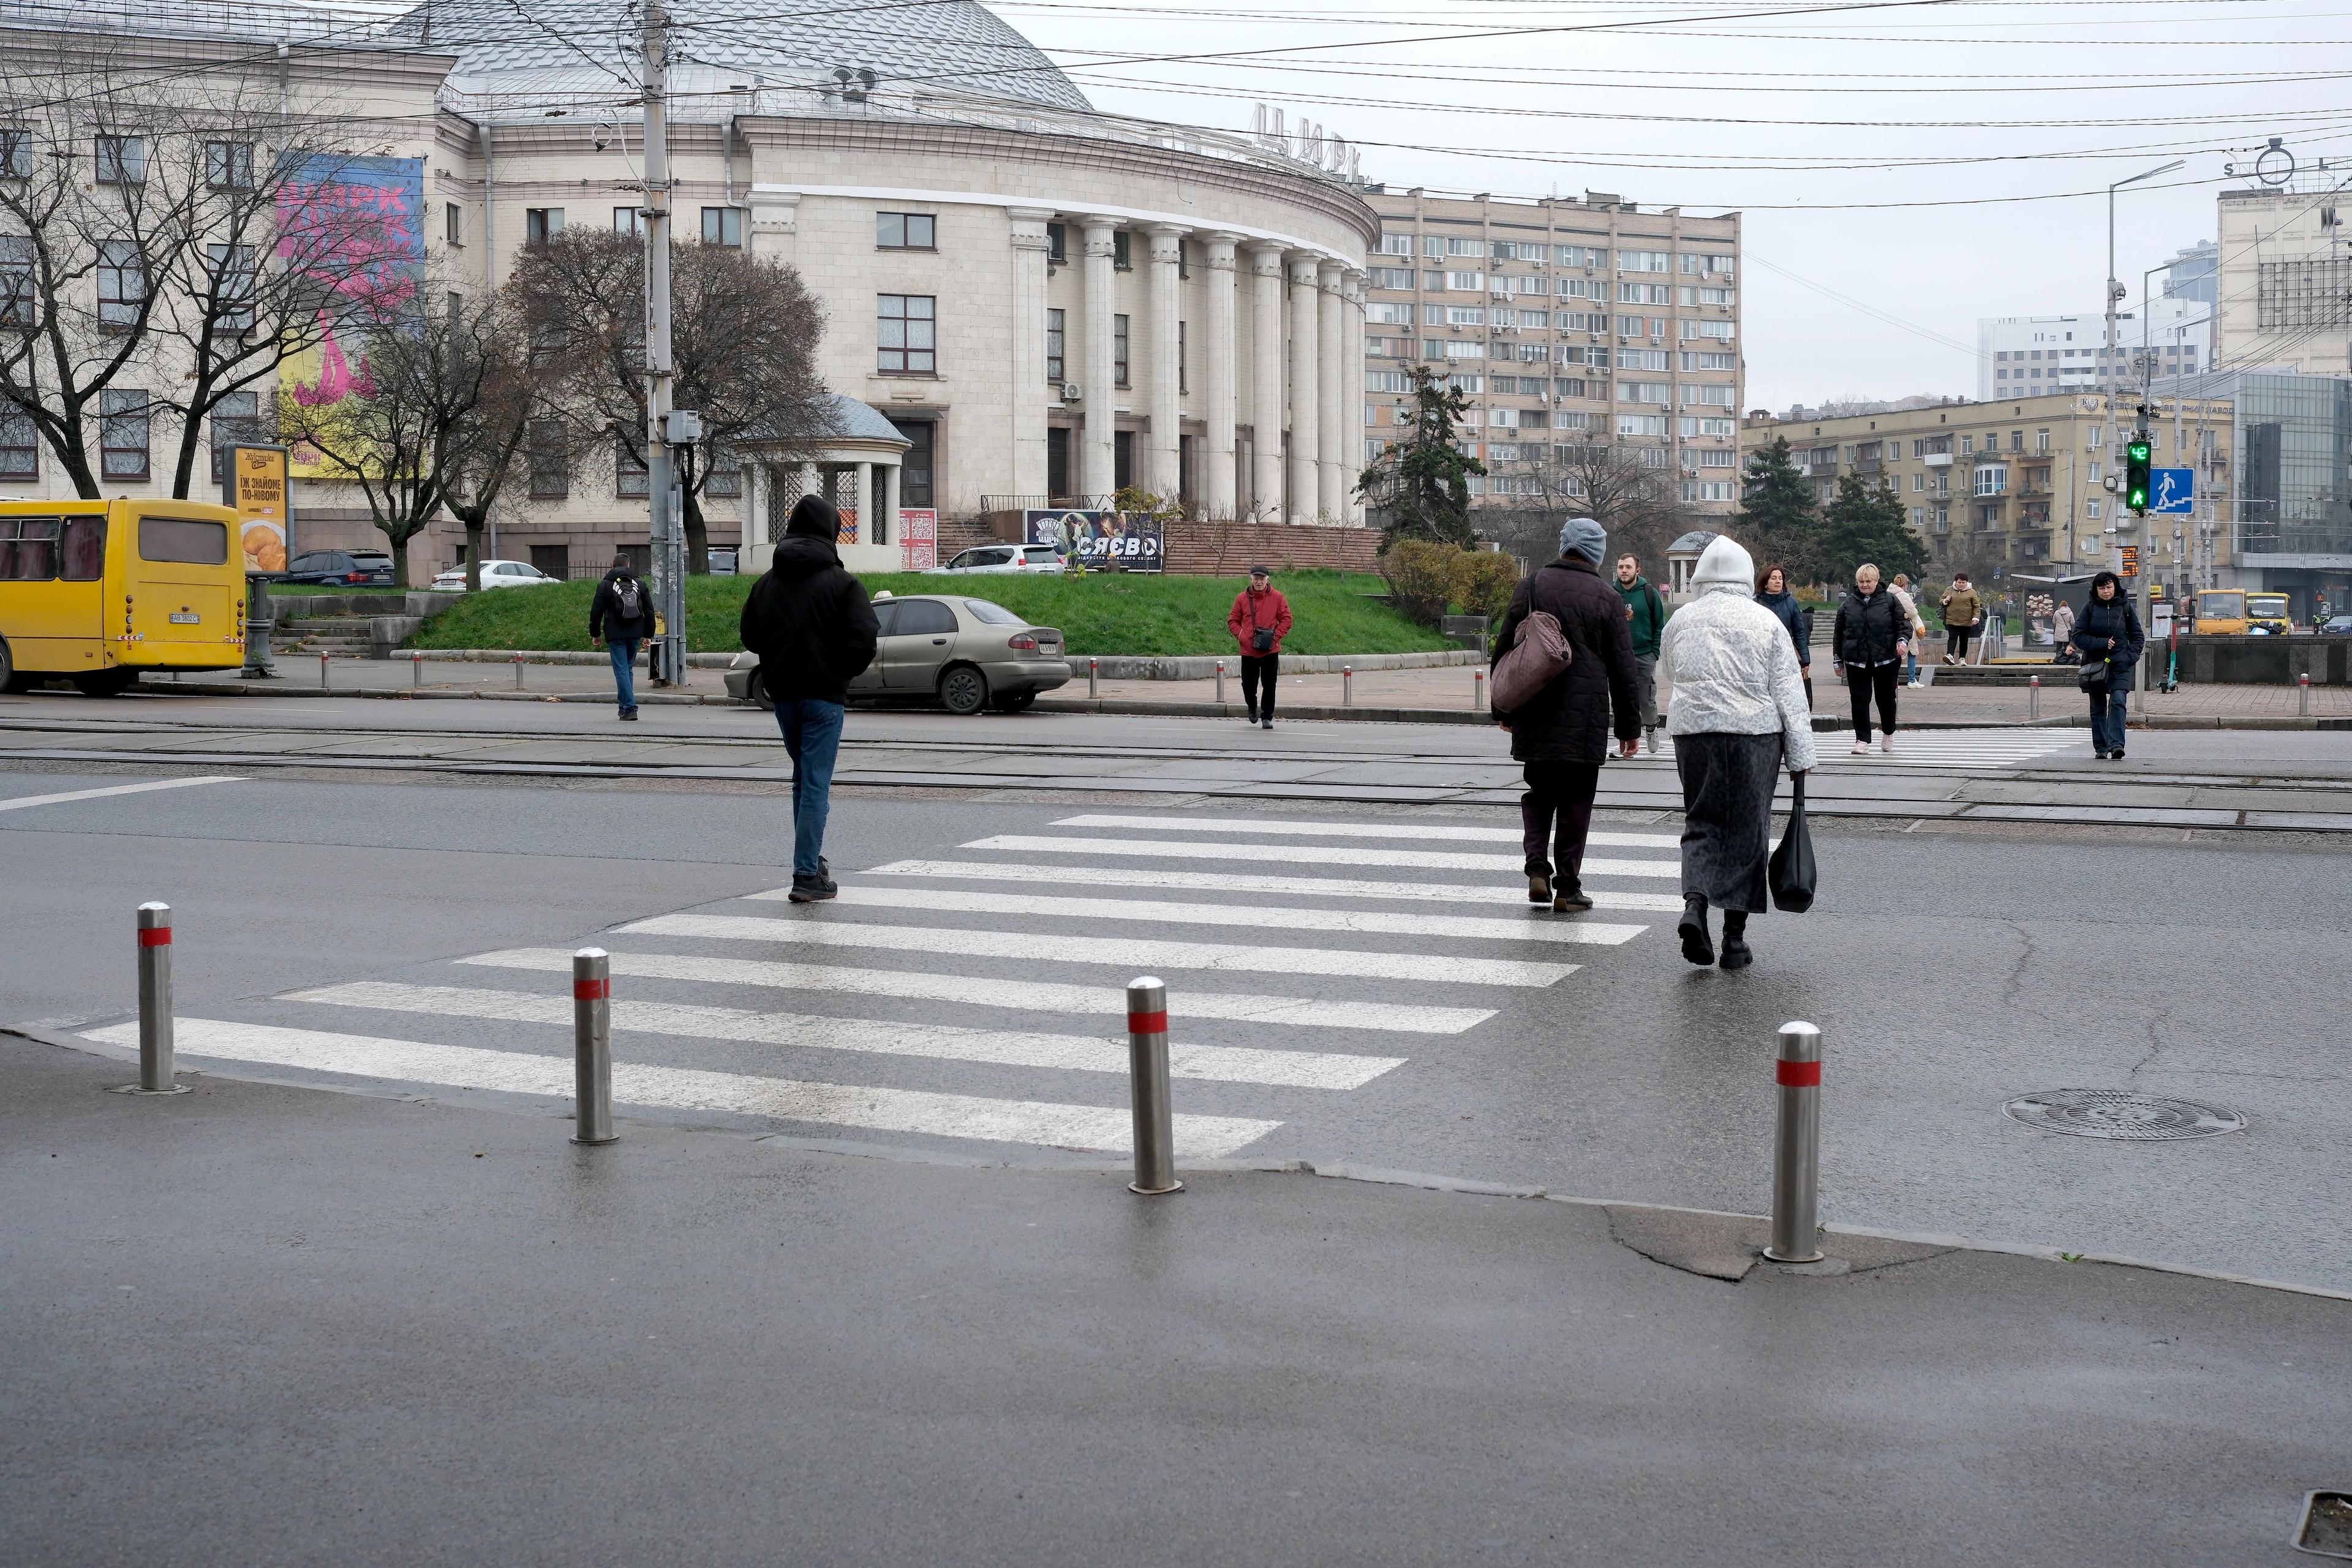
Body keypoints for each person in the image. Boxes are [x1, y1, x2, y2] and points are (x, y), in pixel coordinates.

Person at [1657, 536, 1817, 970]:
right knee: (1749, 832)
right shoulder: (1765, 622)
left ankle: (1695, 904)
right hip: (1754, 736)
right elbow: (1789, 692)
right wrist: (1800, 756)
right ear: (1748, 577)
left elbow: (1667, 670)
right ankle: (1734, 940)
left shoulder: (1682, 619)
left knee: (1701, 823)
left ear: (1701, 577)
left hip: (1694, 734)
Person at [1491, 517, 1640, 913]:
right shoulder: (1607, 597)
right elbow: (1624, 669)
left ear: (1564, 545)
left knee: (1539, 794)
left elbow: (1505, 648)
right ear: (1597, 553)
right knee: (1576, 802)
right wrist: (1629, 727)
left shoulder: (1534, 584)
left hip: (1535, 710)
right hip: (1585, 718)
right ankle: (1568, 888)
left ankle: (1537, 866)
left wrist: (1502, 709)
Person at [739, 495, 881, 902]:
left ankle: (811, 860)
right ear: (830, 533)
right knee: (815, 783)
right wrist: (841, 674)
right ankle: (806, 874)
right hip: (824, 698)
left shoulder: (767, 582)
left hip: (783, 697)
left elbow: (750, 636)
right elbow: (864, 638)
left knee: (803, 780)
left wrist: (778, 659)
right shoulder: (843, 583)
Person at [1832, 562, 1907, 755]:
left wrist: (1902, 641)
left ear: (1876, 581)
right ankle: (1862, 739)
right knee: (1859, 700)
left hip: (1885, 659)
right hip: (1857, 659)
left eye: (1868, 581)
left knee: (1886, 699)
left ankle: (1888, 730)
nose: (1865, 585)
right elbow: (1839, 632)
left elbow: (1903, 624)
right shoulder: (1848, 604)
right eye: (1861, 581)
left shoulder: (1890, 601)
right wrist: (1837, 659)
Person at [2072, 570, 2144, 760]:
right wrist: (2102, 643)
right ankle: (2101, 748)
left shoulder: (2126, 608)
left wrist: (2130, 657)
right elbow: (2078, 636)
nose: (2106, 591)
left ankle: (2117, 745)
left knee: (2118, 702)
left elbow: (2138, 637)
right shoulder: (2088, 609)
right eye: (2102, 588)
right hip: (2095, 667)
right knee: (2097, 707)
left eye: (2109, 587)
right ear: (2096, 590)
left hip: (2120, 666)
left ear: (2116, 587)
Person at [587, 554, 655, 721]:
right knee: (627, 669)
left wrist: (595, 634)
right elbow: (649, 611)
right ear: (628, 564)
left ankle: (630, 708)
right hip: (635, 633)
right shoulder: (639, 583)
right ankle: (624, 707)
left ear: (612, 566)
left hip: (615, 634)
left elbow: (596, 612)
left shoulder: (605, 585)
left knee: (622, 670)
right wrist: (648, 634)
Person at [1613, 553, 1668, 752]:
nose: (1624, 571)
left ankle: (1651, 730)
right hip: (1619, 657)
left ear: (1637, 570)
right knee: (1621, 700)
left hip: (1645, 655)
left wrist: (1654, 652)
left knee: (1646, 700)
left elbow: (1659, 625)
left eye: (1628, 567)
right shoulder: (1612, 594)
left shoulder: (1649, 593)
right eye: (1621, 567)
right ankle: (1625, 737)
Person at [1226, 566, 1292, 730]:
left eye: (1262, 578)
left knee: (1270, 684)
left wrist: (1274, 637)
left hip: (1270, 650)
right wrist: (1243, 637)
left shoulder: (1277, 597)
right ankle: (1252, 706)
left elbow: (1286, 619)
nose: (1259, 581)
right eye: (1256, 578)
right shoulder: (1242, 598)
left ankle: (1267, 716)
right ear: (1251, 579)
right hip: (1249, 649)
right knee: (1248, 684)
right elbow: (1233, 621)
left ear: (1267, 579)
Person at [1754, 563, 1812, 709]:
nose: (1778, 581)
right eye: (1774, 578)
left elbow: (1799, 632)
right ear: (1765, 583)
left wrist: (1805, 661)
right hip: (1762, 655)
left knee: (1784, 691)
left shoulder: (1791, 602)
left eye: (1780, 578)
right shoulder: (1755, 603)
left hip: (1785, 654)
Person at [1890, 572, 1926, 687]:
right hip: (1905, 627)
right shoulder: (1903, 595)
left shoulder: (1887, 593)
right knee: (1912, 653)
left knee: (1894, 655)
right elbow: (1912, 612)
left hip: (1891, 628)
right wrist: (1913, 608)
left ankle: (1893, 681)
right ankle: (1912, 680)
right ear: (1905, 584)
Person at [1940, 573, 1983, 665]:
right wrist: (1945, 600)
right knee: (1952, 637)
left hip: (1966, 621)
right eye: (1959, 582)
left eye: (1963, 582)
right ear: (1956, 582)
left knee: (1964, 640)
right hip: (1952, 620)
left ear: (1967, 582)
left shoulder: (1971, 592)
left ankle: (1962, 658)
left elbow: (1976, 606)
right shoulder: (1950, 590)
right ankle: (1950, 655)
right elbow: (1941, 600)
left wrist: (1975, 618)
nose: (1961, 584)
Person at [2051, 597, 2075, 661]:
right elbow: (2073, 622)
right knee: (2066, 647)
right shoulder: (2070, 613)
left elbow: (2054, 622)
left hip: (2058, 632)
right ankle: (2066, 659)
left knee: (2059, 647)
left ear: (2060, 605)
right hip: (2067, 632)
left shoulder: (2057, 612)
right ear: (2067, 605)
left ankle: (2058, 659)